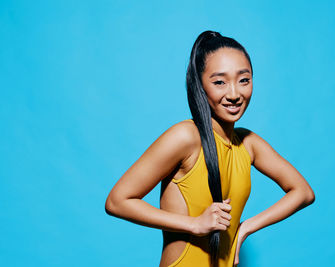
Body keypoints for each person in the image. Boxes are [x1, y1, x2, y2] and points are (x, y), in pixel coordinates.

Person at [105, 30, 315, 267]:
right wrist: (194, 224)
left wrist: (245, 228)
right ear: (200, 86)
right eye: (219, 82)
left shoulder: (248, 143)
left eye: (243, 80)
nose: (234, 94)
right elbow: (117, 201)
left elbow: (303, 193)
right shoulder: (186, 137)